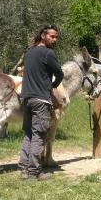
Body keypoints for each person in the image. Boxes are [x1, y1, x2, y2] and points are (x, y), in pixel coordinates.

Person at [18, 24, 64, 181]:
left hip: (26, 98)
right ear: (43, 35)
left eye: (56, 37)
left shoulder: (29, 52)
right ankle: (34, 172)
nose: (55, 39)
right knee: (39, 135)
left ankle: (24, 169)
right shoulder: (48, 53)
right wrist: (53, 86)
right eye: (52, 36)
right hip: (41, 100)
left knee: (28, 134)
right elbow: (60, 73)